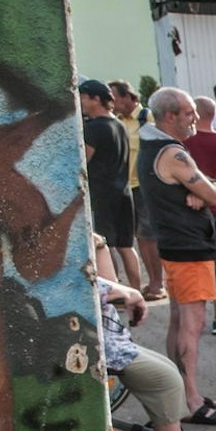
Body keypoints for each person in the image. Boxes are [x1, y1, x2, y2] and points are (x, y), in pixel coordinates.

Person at [137, 87, 216, 428]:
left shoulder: (150, 147)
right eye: (190, 113)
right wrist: (204, 193)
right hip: (189, 247)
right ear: (170, 116)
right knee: (192, 325)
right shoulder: (173, 154)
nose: (195, 119)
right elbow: (215, 193)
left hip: (174, 245)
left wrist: (201, 192)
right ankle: (190, 400)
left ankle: (178, 392)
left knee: (179, 321)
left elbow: (205, 191)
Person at [93, 235, 208, 431]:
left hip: (110, 342)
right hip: (99, 347)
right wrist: (129, 293)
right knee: (163, 378)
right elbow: (97, 286)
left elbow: (109, 281)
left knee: (166, 367)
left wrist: (100, 244)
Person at [79, 80, 142, 293]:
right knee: (127, 246)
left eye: (83, 97)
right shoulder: (119, 124)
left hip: (102, 195)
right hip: (124, 193)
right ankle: (135, 290)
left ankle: (116, 293)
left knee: (106, 246)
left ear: (96, 99)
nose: (80, 102)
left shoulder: (93, 129)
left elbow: (82, 163)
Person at [182, 100, 216, 336]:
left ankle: (196, 318)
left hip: (192, 215)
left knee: (197, 266)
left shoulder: (183, 145)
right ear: (214, 115)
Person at [110, 80, 163, 299]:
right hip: (125, 186)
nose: (113, 102)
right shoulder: (118, 121)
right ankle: (148, 283)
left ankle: (157, 284)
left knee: (149, 236)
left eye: (115, 97)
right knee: (139, 238)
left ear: (129, 97)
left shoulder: (147, 118)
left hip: (145, 186)